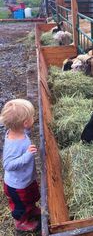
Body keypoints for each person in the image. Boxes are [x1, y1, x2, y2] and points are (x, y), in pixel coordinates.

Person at [0, 99, 40, 232]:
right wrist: (27, 155)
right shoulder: (13, 144)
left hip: (25, 179)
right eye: (32, 117)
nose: (34, 118)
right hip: (17, 185)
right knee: (20, 206)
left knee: (30, 197)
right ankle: (21, 223)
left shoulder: (18, 132)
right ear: (25, 123)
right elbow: (7, 165)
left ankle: (31, 209)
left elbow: (23, 135)